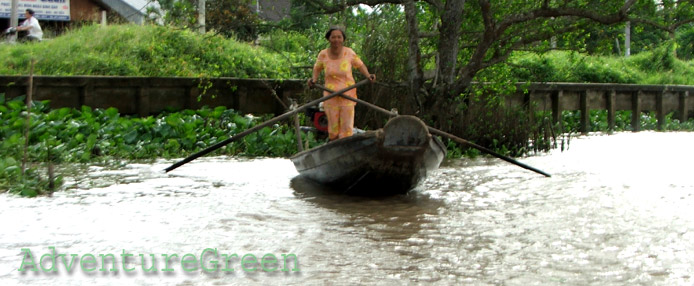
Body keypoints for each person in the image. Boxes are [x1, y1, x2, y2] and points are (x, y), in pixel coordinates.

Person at [307, 26, 375, 141]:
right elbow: (317, 68)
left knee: (346, 129)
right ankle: (334, 149)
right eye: (333, 37)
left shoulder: (349, 53)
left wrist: (368, 76)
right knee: (333, 130)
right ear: (329, 39)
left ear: (343, 39)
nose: (336, 40)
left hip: (347, 95)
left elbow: (360, 65)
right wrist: (313, 80)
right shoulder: (323, 54)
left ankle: (346, 149)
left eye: (339, 37)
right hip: (331, 96)